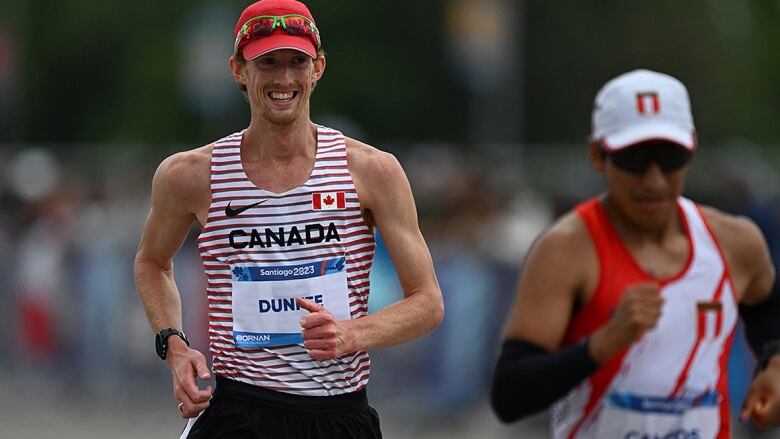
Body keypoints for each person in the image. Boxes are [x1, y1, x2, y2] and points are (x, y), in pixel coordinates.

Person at [133, 0, 444, 437]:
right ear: (238, 70)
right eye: (268, 63)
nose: (284, 79)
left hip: (339, 415)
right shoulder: (191, 175)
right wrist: (175, 345)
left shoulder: (372, 171)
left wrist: (354, 334)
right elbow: (151, 262)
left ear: (318, 67)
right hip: (238, 411)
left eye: (297, 62)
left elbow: (428, 302)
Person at [490, 69, 780, 438]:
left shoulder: (735, 242)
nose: (655, 180)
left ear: (692, 148)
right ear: (598, 155)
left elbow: (768, 305)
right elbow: (510, 394)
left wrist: (774, 361)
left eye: (670, 157)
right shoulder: (566, 250)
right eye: (635, 159)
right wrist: (605, 343)